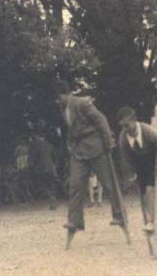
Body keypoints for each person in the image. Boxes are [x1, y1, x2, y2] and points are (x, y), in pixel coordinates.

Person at [55, 80, 123, 238]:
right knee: (75, 186)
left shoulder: (82, 104)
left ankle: (119, 215)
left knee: (108, 183)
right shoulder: (62, 108)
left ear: (65, 94)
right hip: (79, 151)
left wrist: (108, 143)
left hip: (96, 147)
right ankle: (75, 221)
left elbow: (101, 121)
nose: (58, 102)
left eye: (59, 98)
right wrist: (70, 146)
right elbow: (70, 130)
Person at [117, 107, 157, 232]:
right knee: (145, 194)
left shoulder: (148, 131)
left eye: (126, 125)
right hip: (140, 164)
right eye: (122, 126)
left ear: (134, 121)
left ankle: (152, 221)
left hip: (154, 160)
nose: (125, 129)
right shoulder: (123, 138)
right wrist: (131, 173)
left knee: (150, 190)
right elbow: (126, 157)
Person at [30, 133, 58, 210]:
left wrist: (31, 167)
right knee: (50, 185)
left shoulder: (35, 145)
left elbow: (32, 158)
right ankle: (52, 201)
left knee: (44, 185)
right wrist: (54, 166)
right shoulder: (50, 145)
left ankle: (50, 202)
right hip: (50, 168)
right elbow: (55, 158)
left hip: (40, 169)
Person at [14, 136, 33, 203]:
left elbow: (15, 156)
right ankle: (26, 196)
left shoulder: (20, 148)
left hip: (23, 164)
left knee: (23, 180)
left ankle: (27, 196)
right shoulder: (25, 148)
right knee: (23, 180)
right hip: (23, 164)